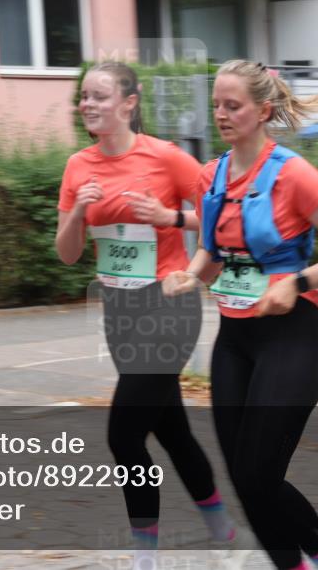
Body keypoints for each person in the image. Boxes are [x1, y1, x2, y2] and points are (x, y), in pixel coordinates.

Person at [163, 60, 318, 570]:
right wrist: (191, 275)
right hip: (234, 341)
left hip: (290, 338)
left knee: (260, 472)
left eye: (233, 105)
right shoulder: (211, 175)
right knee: (244, 478)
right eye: (216, 104)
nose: (221, 114)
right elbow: (215, 252)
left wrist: (298, 283)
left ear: (262, 111)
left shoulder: (293, 174)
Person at [55, 62, 241, 570]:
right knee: (170, 428)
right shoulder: (78, 166)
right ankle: (222, 530)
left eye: (99, 96)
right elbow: (68, 253)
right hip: (119, 312)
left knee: (123, 433)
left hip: (170, 304)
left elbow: (225, 216)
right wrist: (76, 214)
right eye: (84, 97)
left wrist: (170, 218)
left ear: (129, 102)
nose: (88, 105)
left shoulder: (165, 158)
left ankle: (145, 554)